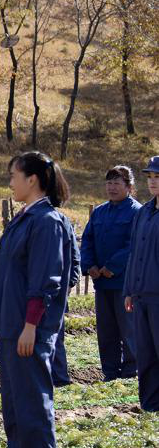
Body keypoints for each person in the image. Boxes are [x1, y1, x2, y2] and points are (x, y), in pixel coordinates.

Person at [0, 152, 77, 448]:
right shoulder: (24, 218)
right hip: (11, 325)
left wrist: (31, 325)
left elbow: (46, 280)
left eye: (14, 175)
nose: (10, 181)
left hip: (29, 329)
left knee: (32, 402)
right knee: (13, 403)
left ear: (32, 179)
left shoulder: (48, 222)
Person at [80, 165, 142, 380]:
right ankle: (109, 371)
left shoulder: (136, 212)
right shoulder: (99, 211)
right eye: (109, 183)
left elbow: (134, 245)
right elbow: (87, 240)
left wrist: (112, 267)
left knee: (128, 329)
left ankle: (130, 370)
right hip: (102, 283)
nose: (112, 187)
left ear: (129, 187)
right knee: (106, 331)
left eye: (117, 183)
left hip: (124, 283)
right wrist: (89, 265)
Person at [124, 156, 159, 412]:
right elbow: (134, 253)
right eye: (150, 177)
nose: (153, 182)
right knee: (145, 355)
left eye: (157, 177)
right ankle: (149, 405)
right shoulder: (143, 212)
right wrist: (129, 291)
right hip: (140, 296)